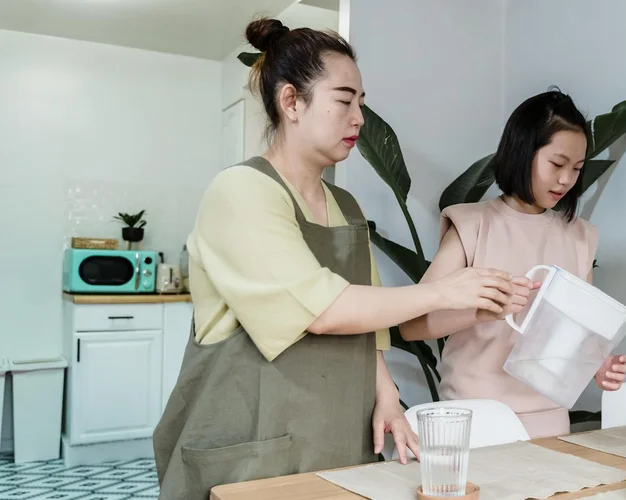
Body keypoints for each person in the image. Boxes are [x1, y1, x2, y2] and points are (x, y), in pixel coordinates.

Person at [152, 18, 534, 500]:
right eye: (344, 100)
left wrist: (387, 395)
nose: (358, 118)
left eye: (361, 104)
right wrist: (445, 289)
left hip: (334, 443)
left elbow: (368, 321)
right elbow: (325, 310)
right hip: (249, 447)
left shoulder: (345, 208)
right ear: (292, 101)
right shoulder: (242, 191)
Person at [400, 89, 626, 439]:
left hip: (550, 425)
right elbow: (412, 325)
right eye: (556, 164)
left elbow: (580, 336)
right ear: (523, 152)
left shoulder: (580, 238)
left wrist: (597, 365)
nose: (566, 180)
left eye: (577, 169)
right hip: (474, 422)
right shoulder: (472, 226)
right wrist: (482, 309)